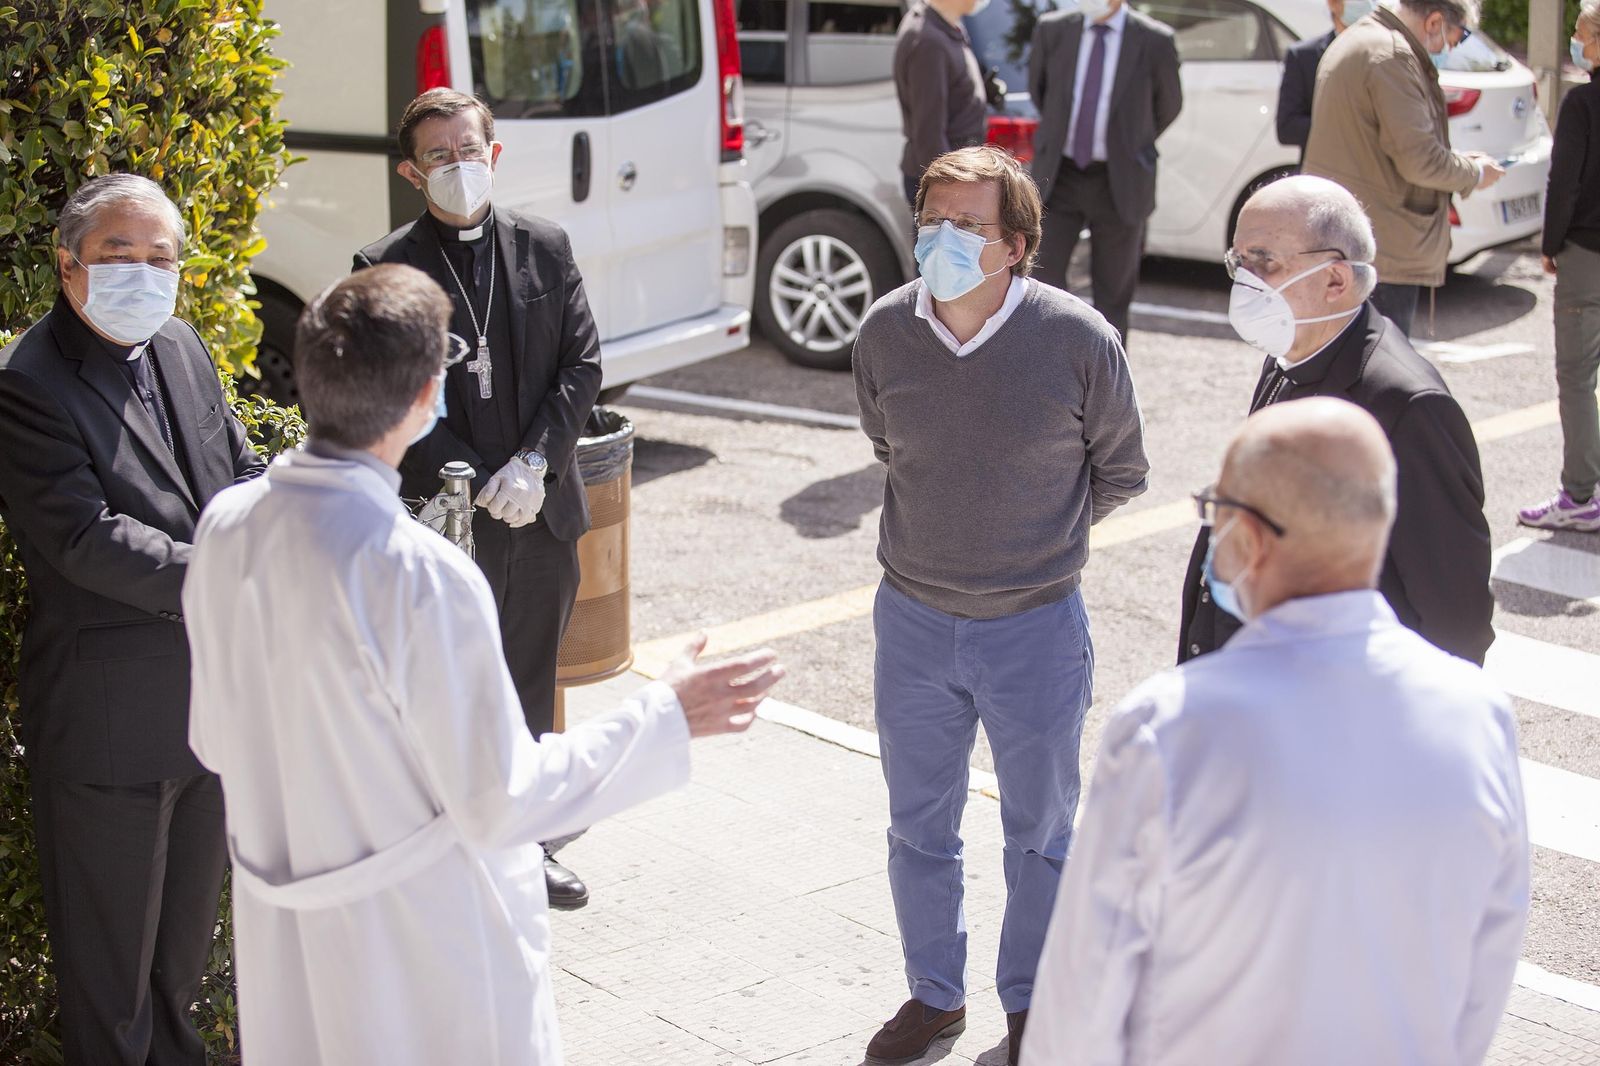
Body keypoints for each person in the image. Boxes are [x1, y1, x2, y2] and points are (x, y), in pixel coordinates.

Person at [182, 265, 785, 1066]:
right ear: (428, 396)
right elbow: (501, 801)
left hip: (285, 926)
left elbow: (215, 742)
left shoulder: (227, 524)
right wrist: (664, 715)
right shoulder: (418, 573)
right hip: (416, 948)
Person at [1024, 397, 1529, 1066]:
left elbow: (1082, 1000)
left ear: (1252, 538)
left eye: (1216, 512)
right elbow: (1485, 973)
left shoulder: (1170, 730)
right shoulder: (1479, 715)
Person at [854, 145, 1149, 1066]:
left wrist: (1034, 541)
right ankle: (935, 998)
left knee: (1043, 835)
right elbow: (888, 446)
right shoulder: (883, 333)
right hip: (911, 622)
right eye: (931, 220)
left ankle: (1033, 1009)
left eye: (967, 225)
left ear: (1017, 245)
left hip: (1036, 629)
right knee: (917, 828)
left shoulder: (1077, 339)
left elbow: (1123, 469)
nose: (941, 237)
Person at [0, 174, 266, 1064]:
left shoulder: (181, 344)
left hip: (211, 713)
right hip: (111, 727)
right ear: (68, 263)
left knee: (177, 965)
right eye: (120, 253)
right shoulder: (29, 383)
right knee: (109, 983)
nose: (144, 273)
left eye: (162, 257)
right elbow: (85, 539)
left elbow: (234, 470)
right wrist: (236, 578)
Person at [354, 88, 602, 907]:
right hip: (443, 522)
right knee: (447, 689)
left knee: (529, 681)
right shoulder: (384, 267)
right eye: (438, 156)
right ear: (409, 172)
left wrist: (534, 462)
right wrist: (467, 475)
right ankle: (443, 849)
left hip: (539, 510)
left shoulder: (546, 247)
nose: (458, 166)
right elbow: (389, 397)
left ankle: (524, 847)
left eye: (470, 151)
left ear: (493, 155)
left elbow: (582, 365)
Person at [1179, 175, 1493, 664]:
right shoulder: (1291, 351)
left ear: (1336, 280)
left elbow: (1456, 620)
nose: (1245, 279)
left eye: (1264, 261)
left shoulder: (1408, 406)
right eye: (1239, 260)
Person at [1302, 0, 1504, 336]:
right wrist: (1475, 173)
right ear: (1434, 22)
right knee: (1379, 370)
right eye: (1453, 39)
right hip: (1381, 246)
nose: (1447, 50)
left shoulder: (1366, 38)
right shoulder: (1393, 55)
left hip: (1354, 239)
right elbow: (1419, 160)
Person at [1027, 0, 1182, 346]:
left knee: (1113, 294)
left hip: (1120, 181)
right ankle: (1044, 371)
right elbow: (1042, 91)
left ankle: (1105, 386)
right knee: (1041, 283)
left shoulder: (1154, 39)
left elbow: (1167, 105)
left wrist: (1129, 142)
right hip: (1060, 176)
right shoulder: (1053, 29)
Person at [1517, 0, 1600, 532]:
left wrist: (1549, 244)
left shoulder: (1582, 104)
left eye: (1581, 32)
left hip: (1586, 255)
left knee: (1577, 375)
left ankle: (1579, 496)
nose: (1575, 40)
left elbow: (1564, 180)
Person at [893, 0, 989, 206]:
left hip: (961, 171)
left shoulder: (948, 25)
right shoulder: (928, 40)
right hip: (945, 180)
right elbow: (929, 133)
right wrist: (949, 191)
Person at [1276, 0, 1373, 160]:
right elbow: (1287, 128)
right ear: (1332, 4)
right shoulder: (1303, 56)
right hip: (1325, 171)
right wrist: (1345, 127)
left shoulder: (1387, 53)